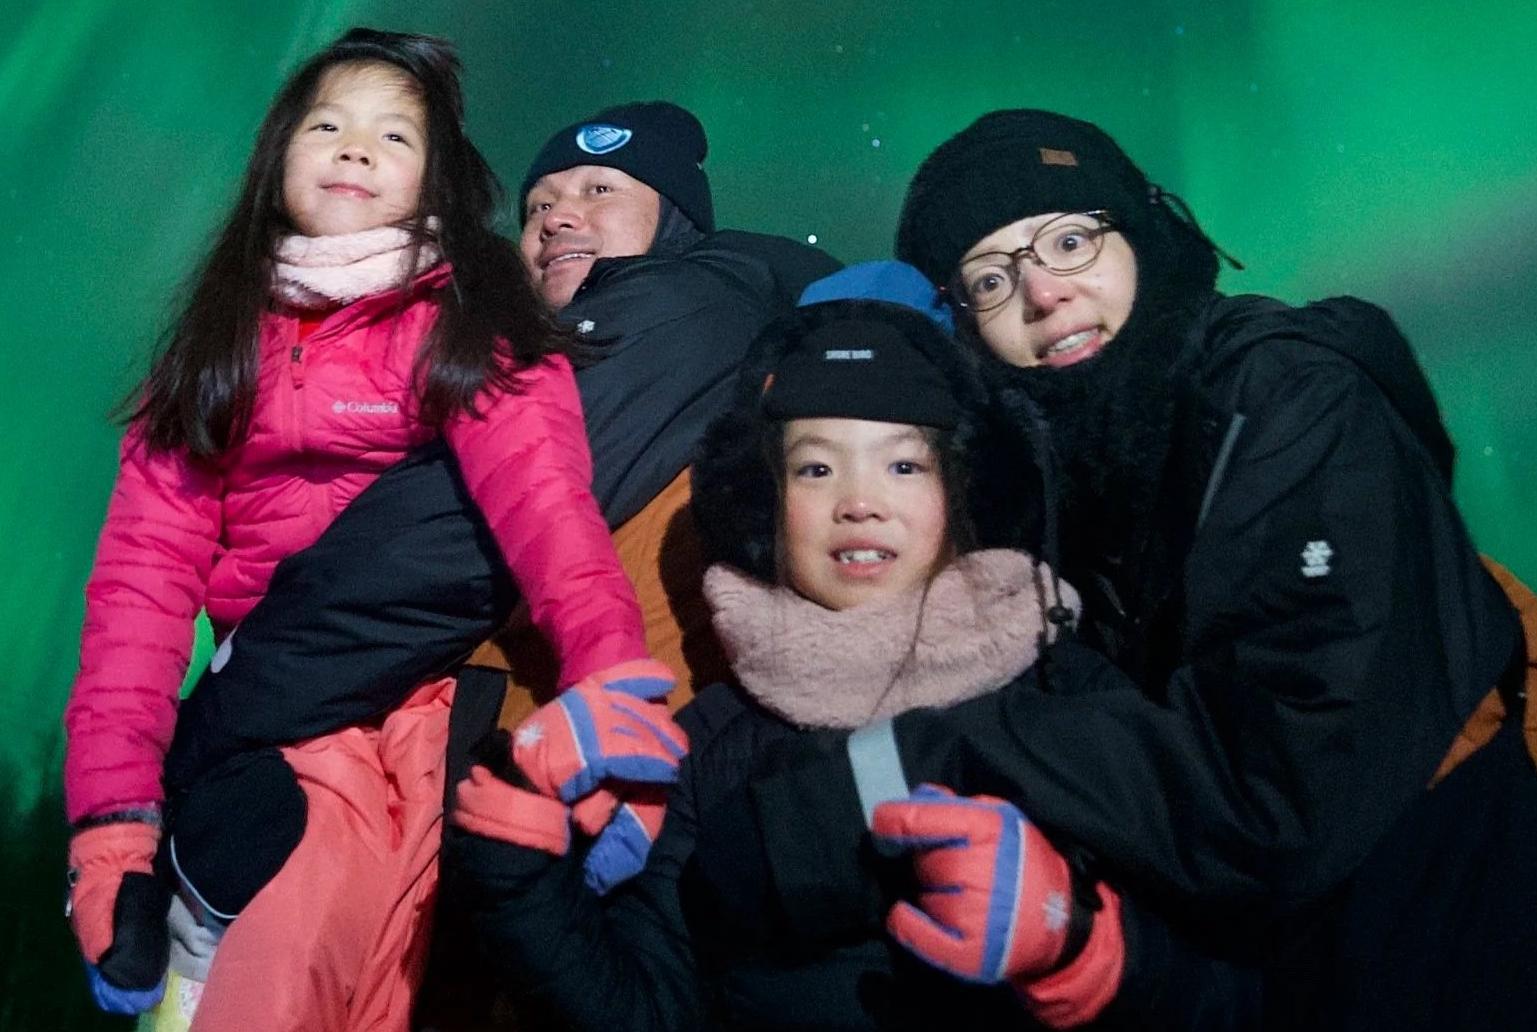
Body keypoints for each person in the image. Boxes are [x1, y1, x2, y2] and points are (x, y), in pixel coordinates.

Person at [738, 110, 1537, 1031]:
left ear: (1143, 234)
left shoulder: (1287, 400)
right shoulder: (1064, 477)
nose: (1044, 293)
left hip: (1438, 956)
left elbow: (1281, 784)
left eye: (1070, 241)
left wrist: (900, 774)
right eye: (991, 278)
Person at [155, 103, 833, 1025]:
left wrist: (222, 715)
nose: (556, 216)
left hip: (584, 825)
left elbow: (424, 545)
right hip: (510, 825)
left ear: (674, 220)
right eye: (539, 204)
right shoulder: (526, 362)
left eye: (600, 189)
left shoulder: (679, 311)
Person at [447, 279, 1263, 1030]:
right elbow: (649, 1010)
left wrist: (1090, 954)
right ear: (765, 505)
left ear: (961, 492)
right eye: (815, 468)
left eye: (904, 464)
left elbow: (1255, 986)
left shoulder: (1072, 695)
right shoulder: (711, 740)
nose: (859, 502)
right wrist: (519, 866)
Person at [60, 31, 679, 1020]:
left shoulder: (466, 330)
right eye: (327, 126)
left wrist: (607, 681)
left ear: (436, 185)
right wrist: (111, 836)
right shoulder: (214, 352)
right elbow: (139, 593)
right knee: (264, 950)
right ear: (275, 159)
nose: (354, 146)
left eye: (394, 134)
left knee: (355, 960)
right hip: (268, 709)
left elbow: (548, 509)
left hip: (420, 698)